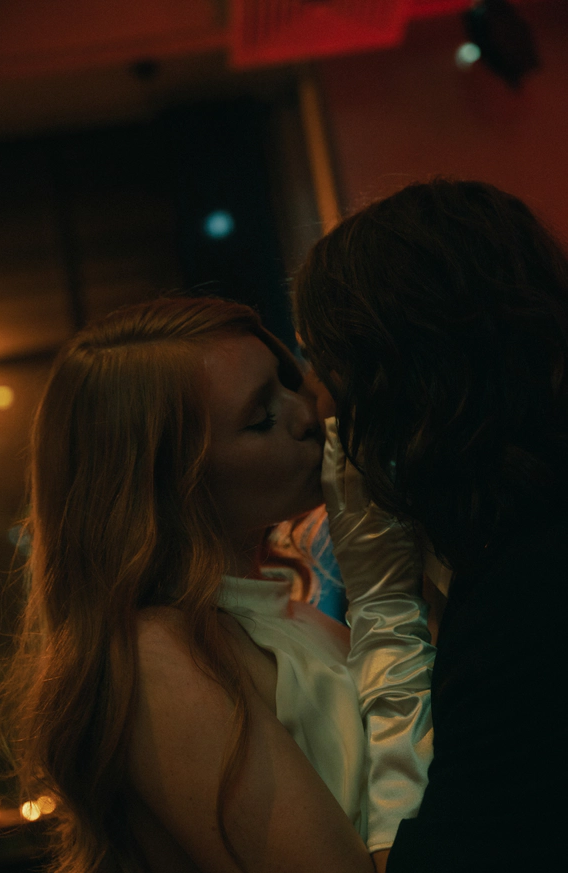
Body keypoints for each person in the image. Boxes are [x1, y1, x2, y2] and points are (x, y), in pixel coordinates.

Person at [0, 295, 434, 873]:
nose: (307, 413)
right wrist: (384, 601)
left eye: (288, 381)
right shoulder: (159, 656)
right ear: (169, 483)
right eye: (261, 418)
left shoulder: (275, 610)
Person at [293, 178, 568, 872]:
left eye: (329, 367)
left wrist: (383, 603)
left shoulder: (524, 587)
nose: (317, 407)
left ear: (401, 377)